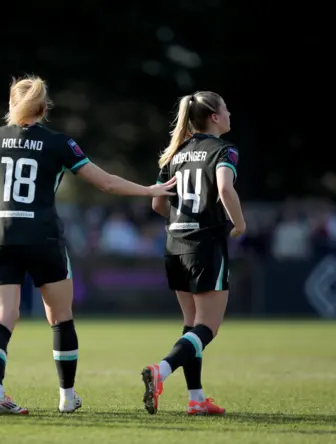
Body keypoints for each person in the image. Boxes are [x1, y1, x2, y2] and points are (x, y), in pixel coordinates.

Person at [0, 75, 177, 414]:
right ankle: (66, 398)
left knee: (2, 318)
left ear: (11, 105)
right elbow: (106, 183)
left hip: (2, 238)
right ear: (45, 108)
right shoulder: (59, 142)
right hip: (45, 238)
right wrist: (150, 190)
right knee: (61, 318)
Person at [141, 91, 244, 416]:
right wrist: (239, 224)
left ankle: (197, 399)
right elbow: (225, 188)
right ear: (214, 116)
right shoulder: (224, 150)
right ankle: (162, 370)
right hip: (205, 244)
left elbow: (157, 202)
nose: (229, 114)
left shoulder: (176, 153)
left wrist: (181, 217)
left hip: (174, 243)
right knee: (208, 327)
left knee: (191, 325)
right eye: (226, 108)